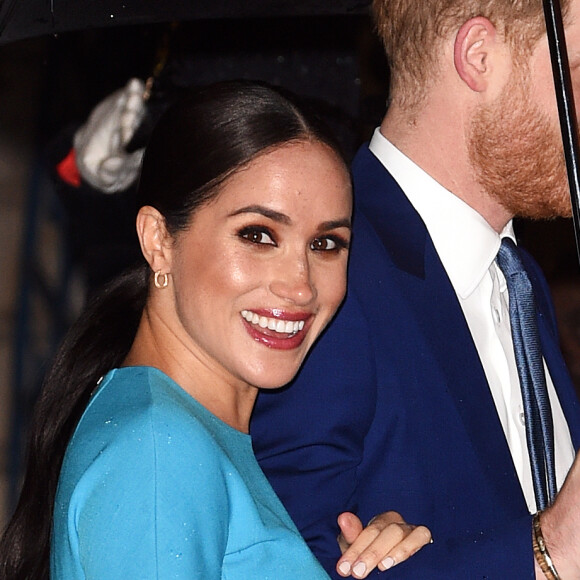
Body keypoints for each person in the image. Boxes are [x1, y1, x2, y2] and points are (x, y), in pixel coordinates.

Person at [0, 80, 431, 579]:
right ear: (159, 239)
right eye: (258, 235)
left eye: (326, 244)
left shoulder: (181, 433)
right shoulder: (160, 451)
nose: (301, 287)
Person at [251, 1, 580, 578]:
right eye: (577, 68)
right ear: (479, 56)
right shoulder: (324, 277)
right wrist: (547, 553)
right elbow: (277, 562)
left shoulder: (519, 279)